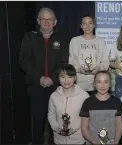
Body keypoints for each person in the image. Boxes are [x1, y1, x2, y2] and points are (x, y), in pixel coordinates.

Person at [19, 7, 69, 144]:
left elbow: (64, 62)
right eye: (43, 19)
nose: (47, 22)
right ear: (38, 21)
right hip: (36, 86)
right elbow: (24, 61)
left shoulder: (62, 40)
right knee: (37, 120)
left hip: (56, 87)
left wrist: (52, 78)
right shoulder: (29, 37)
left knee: (57, 120)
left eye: (50, 19)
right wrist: (40, 78)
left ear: (55, 22)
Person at [80, 71, 122, 144]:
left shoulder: (117, 102)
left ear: (110, 84)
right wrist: (94, 142)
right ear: (94, 84)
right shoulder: (87, 102)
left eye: (106, 82)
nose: (102, 85)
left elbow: (119, 127)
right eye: (99, 82)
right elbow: (84, 128)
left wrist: (116, 142)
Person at [48, 64, 89, 144]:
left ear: (75, 78)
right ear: (58, 78)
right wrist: (56, 128)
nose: (66, 80)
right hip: (59, 140)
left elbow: (87, 117)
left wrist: (74, 128)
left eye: (70, 77)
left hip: (78, 141)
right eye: (63, 77)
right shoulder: (54, 96)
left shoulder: (84, 96)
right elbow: (51, 114)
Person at [69, 15, 109, 96]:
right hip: (79, 83)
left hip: (96, 84)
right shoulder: (74, 41)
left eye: (90, 23)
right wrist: (79, 69)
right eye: (84, 23)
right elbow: (71, 61)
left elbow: (105, 61)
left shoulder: (101, 41)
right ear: (81, 26)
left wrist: (99, 68)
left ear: (94, 25)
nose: (87, 26)